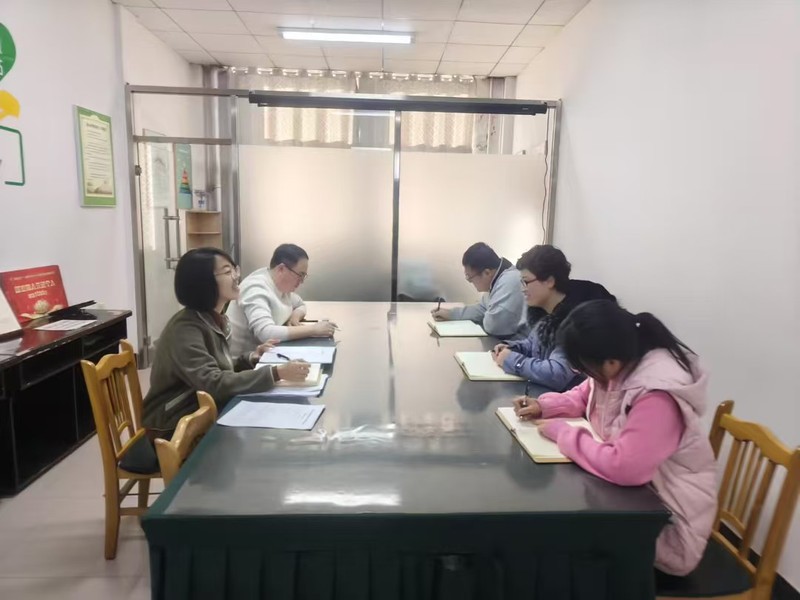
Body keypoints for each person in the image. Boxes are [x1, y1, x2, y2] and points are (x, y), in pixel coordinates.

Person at [513, 300, 717, 576]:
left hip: (666, 530)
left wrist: (565, 434)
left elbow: (626, 467)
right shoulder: (620, 361)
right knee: (543, 540)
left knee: (545, 549)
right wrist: (544, 406)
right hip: (628, 507)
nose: (583, 374)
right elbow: (585, 394)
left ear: (609, 362)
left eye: (584, 367)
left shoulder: (657, 395)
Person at [142, 247, 310, 441]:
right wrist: (275, 373)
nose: (237, 277)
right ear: (203, 281)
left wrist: (251, 358)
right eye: (227, 272)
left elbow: (218, 366)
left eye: (234, 269)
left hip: (201, 408)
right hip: (173, 423)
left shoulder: (213, 318)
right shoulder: (185, 329)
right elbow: (213, 382)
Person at [492, 245, 615, 391]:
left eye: (526, 282)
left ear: (549, 281)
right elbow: (532, 345)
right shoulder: (546, 312)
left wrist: (513, 361)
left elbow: (557, 374)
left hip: (570, 399)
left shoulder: (575, 323)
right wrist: (512, 347)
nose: (522, 289)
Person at [227, 243, 336, 355]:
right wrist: (314, 330)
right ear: (281, 269)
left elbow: (300, 304)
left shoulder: (281, 287)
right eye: (300, 275)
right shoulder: (256, 287)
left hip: (266, 353)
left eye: (304, 276)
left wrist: (295, 317)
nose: (302, 281)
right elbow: (265, 333)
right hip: (244, 361)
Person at [431, 242, 526, 339]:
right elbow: (482, 309)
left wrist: (485, 315)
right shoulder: (497, 278)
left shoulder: (510, 280)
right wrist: (451, 314)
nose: (469, 281)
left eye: (470, 277)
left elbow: (493, 326)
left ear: (487, 273)